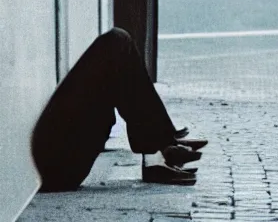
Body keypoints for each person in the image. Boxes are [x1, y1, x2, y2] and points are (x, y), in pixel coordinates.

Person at [31, 27, 208, 192]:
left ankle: (160, 146)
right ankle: (159, 147)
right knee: (116, 44)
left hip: (44, 161)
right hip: (52, 169)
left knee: (117, 43)